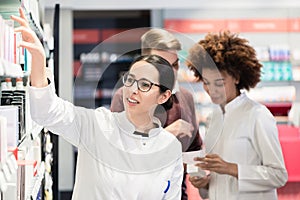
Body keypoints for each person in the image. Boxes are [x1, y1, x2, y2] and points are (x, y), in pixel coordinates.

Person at [12, 8, 183, 200]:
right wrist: (38, 60)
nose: (132, 90)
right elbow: (47, 112)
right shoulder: (97, 124)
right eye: (130, 79)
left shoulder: (170, 148)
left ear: (163, 96)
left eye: (144, 85)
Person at [187, 31, 288, 199]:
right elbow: (219, 180)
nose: (211, 90)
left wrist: (231, 168)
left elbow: (278, 175)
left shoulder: (257, 115)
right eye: (206, 83)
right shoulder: (214, 118)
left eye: (219, 83)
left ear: (236, 77)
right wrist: (206, 184)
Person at [110, 28, 203, 200]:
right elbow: (118, 156)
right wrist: (165, 136)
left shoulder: (186, 98)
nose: (172, 72)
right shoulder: (125, 97)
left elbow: (195, 149)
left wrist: (201, 176)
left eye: (175, 64)